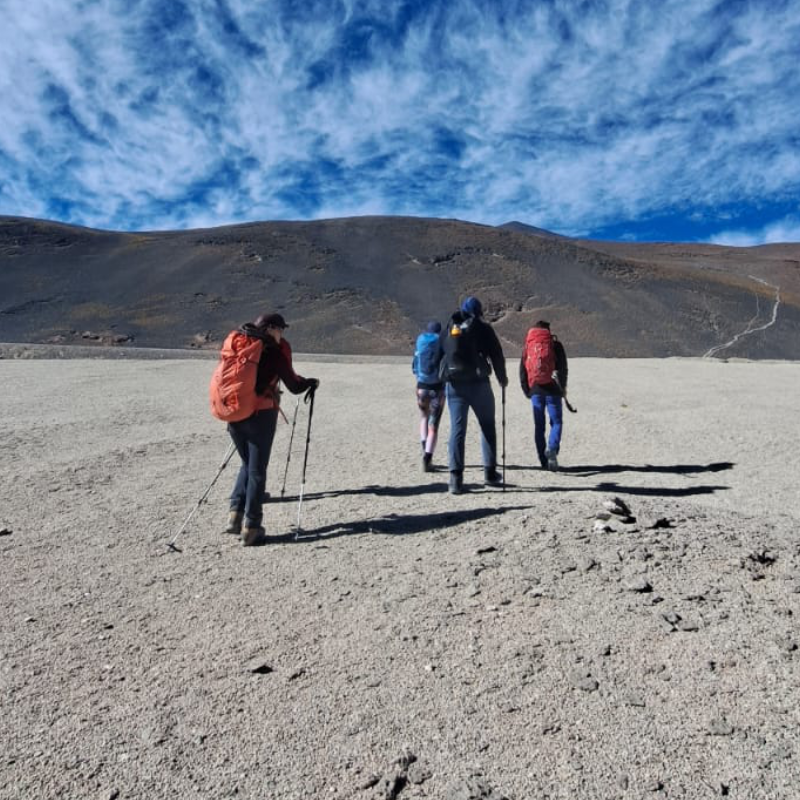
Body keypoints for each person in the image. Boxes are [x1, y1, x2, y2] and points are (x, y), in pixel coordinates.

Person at [225, 313, 319, 545]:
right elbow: (294, 386)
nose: (282, 334)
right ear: (270, 329)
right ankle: (252, 526)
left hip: (234, 412)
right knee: (257, 469)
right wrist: (311, 383)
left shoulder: (238, 345)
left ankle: (235, 514)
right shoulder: (272, 351)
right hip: (261, 414)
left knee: (247, 464)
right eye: (280, 330)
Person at [439, 296, 508, 494]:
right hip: (479, 385)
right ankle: (490, 473)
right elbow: (496, 354)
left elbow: (440, 352)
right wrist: (502, 378)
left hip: (454, 386)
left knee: (457, 429)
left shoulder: (450, 328)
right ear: (479, 312)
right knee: (487, 425)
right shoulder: (483, 329)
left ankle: (455, 479)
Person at [519, 320, 568, 471]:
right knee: (556, 422)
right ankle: (552, 449)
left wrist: (527, 390)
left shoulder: (528, 346)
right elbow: (563, 368)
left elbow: (522, 370)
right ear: (548, 330)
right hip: (553, 389)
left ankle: (543, 461)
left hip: (536, 390)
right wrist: (562, 388)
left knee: (539, 426)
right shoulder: (555, 345)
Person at [412, 321, 445, 472]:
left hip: (421, 387)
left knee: (424, 417)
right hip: (437, 388)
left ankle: (425, 447)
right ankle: (428, 458)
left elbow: (414, 366)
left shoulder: (421, 342)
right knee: (434, 426)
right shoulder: (441, 342)